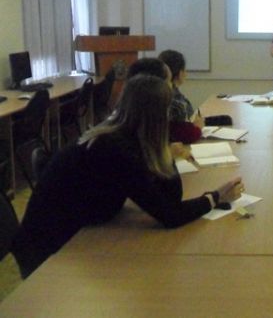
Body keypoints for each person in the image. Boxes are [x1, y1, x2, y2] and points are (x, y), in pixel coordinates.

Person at [11, 75, 244, 278]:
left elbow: (171, 197)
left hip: (78, 233)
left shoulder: (124, 135)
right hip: (49, 251)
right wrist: (215, 197)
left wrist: (163, 149)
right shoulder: (116, 148)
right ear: (156, 116)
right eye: (166, 111)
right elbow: (170, 214)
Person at [158, 49, 204, 144]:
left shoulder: (156, 91)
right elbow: (182, 134)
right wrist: (198, 128)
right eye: (184, 70)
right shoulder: (174, 100)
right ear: (180, 73)